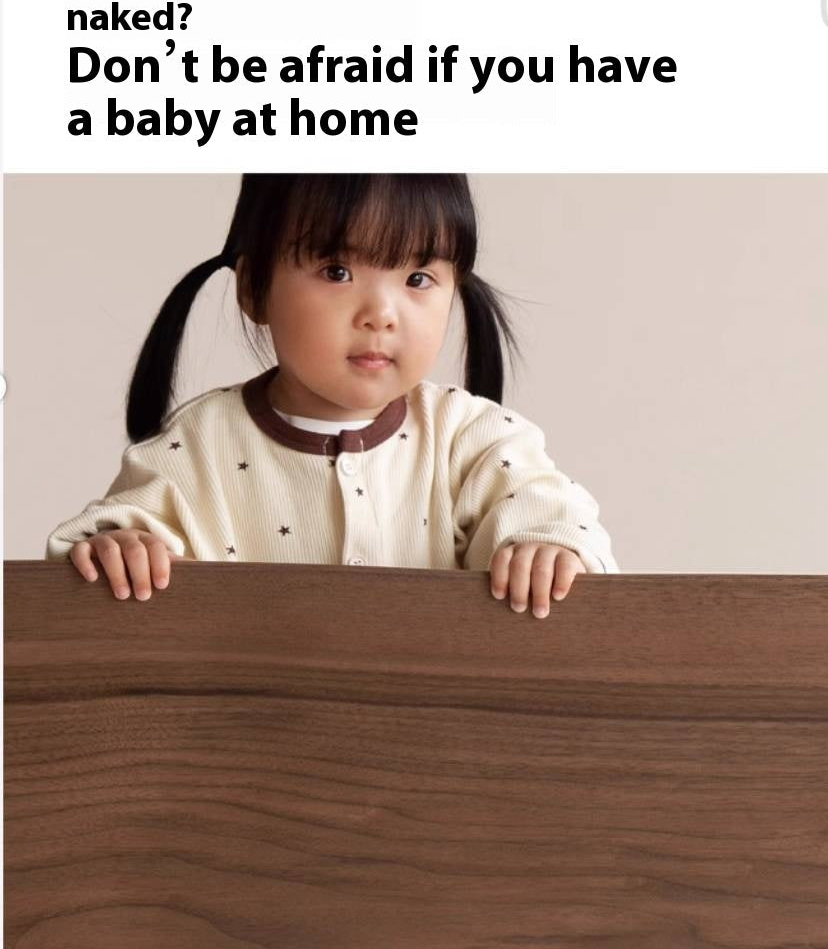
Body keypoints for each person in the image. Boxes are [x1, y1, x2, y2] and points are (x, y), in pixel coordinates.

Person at [46, 174, 619, 618]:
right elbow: (105, 546)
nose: (380, 315)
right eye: (337, 270)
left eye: (418, 279)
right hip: (247, 743)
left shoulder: (472, 439)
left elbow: (556, 520)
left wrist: (546, 549)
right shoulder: (198, 446)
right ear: (254, 287)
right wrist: (120, 549)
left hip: (434, 743)